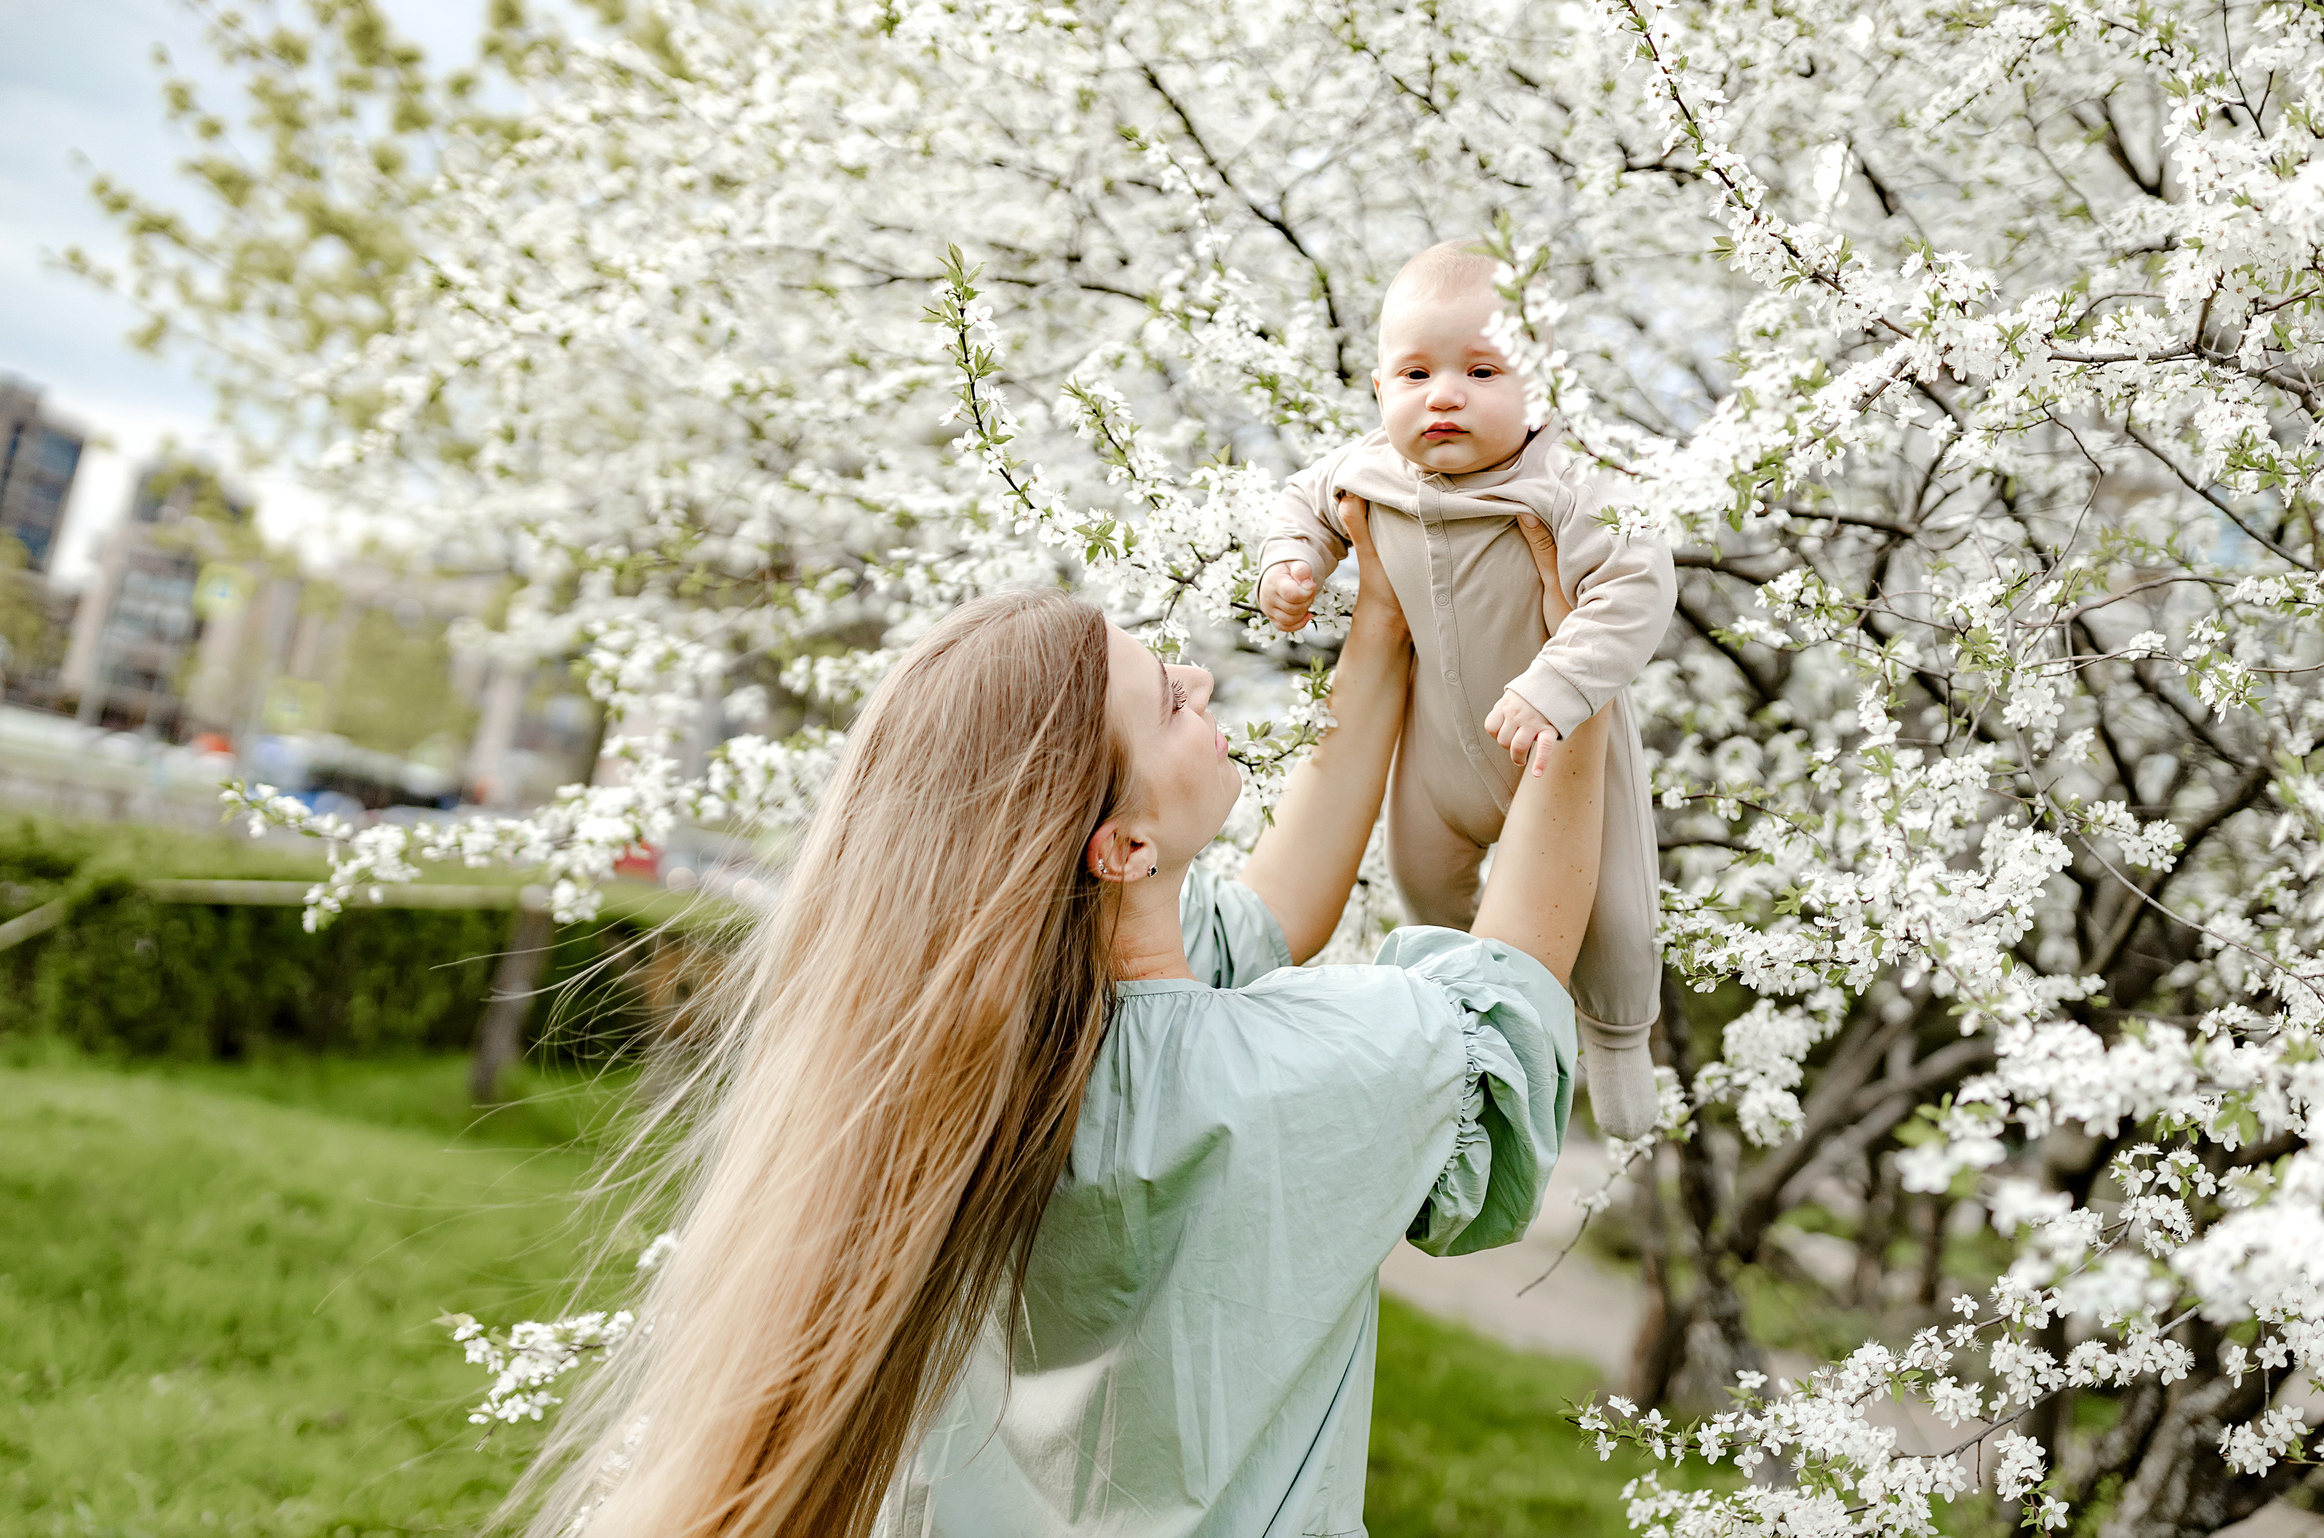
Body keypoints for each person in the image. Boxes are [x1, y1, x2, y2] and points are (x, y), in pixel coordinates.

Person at [511, 498, 1615, 1538]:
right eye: (1169, 702)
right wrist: (1583, 675)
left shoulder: (966, 1065)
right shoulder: (1310, 1072)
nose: (1195, 676)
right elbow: (1511, 980)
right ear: (1123, 851)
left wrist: (1382, 625)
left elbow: (1282, 905)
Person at [1256, 240, 1677, 1140]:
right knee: (1424, 889)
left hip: (1559, 745)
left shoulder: (1569, 484)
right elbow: (1302, 500)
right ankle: (1481, 1038)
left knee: (1617, 919)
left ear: (1543, 388)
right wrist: (1293, 563)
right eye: (1414, 373)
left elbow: (1637, 587)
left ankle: (1615, 1041)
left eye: (1481, 370)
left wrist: (1559, 681)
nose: (1443, 395)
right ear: (1378, 393)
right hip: (1439, 754)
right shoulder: (1370, 468)